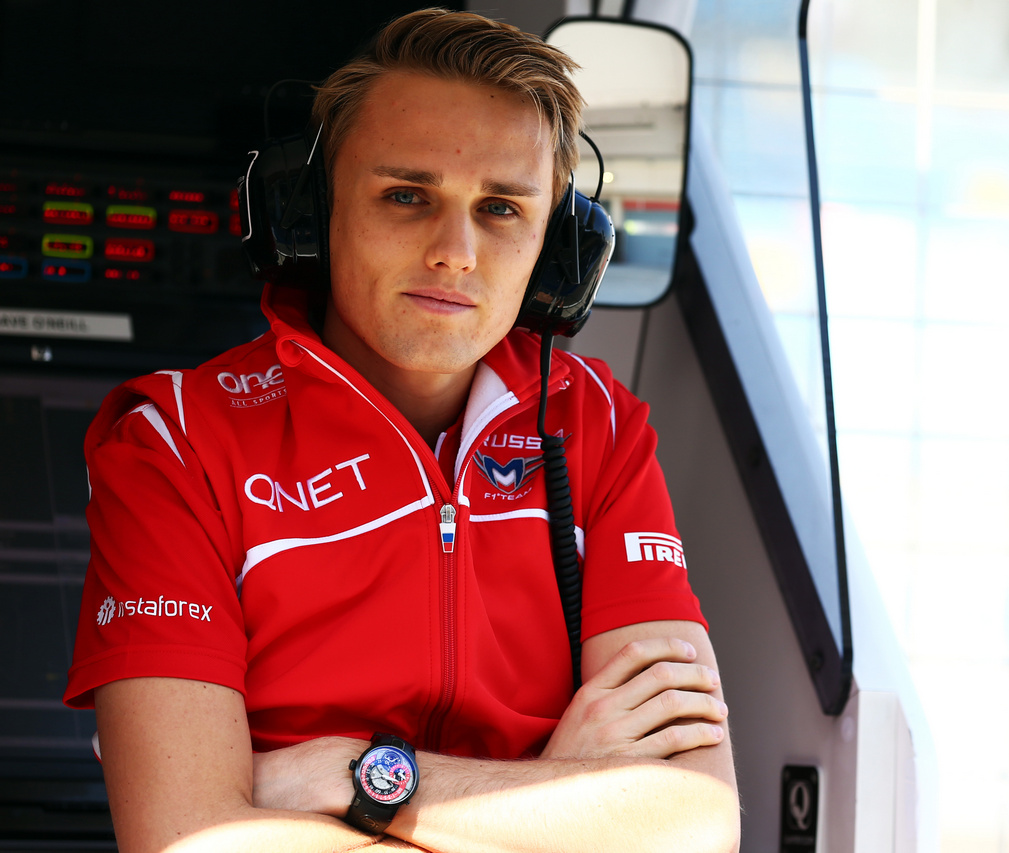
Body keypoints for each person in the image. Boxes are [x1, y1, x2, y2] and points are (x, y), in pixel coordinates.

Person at [62, 9, 739, 852]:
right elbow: (190, 839)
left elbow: (694, 819)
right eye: (407, 195)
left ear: (557, 249)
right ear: (310, 212)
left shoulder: (597, 421)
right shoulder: (174, 442)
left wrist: (351, 775)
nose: (455, 251)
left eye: (500, 208)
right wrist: (566, 795)